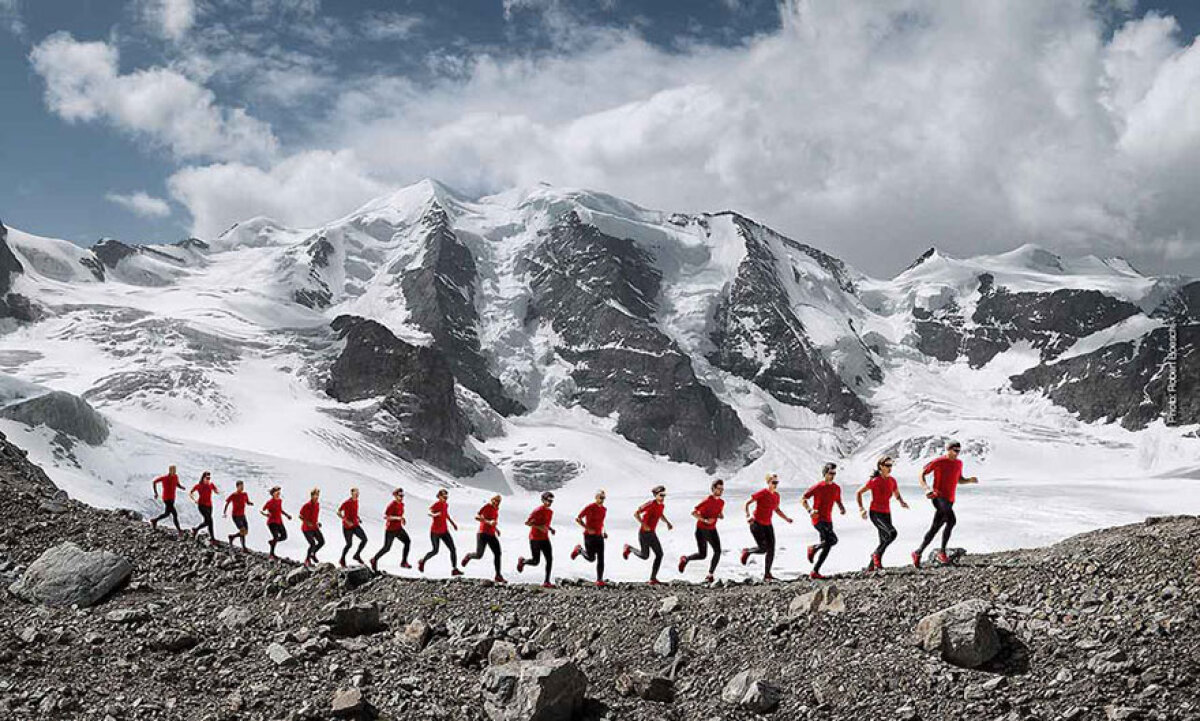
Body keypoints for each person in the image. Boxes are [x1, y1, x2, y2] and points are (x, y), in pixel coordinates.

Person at [913, 440, 979, 567]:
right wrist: (926, 489)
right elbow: (921, 473)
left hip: (950, 500)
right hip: (938, 497)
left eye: (959, 451)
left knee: (935, 528)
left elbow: (959, 480)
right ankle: (942, 553)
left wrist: (969, 480)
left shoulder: (959, 463)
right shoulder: (939, 461)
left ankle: (918, 552)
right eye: (955, 450)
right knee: (952, 521)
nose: (957, 453)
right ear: (948, 450)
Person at [856, 456, 909, 571]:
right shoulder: (875, 481)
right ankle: (875, 555)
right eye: (887, 465)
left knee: (884, 539)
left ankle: (871, 566)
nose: (890, 468)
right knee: (892, 533)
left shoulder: (892, 480)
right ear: (881, 466)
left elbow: (896, 493)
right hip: (876, 513)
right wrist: (861, 509)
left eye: (891, 465)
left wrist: (901, 502)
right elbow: (858, 492)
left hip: (886, 513)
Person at [740, 473, 793, 581]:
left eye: (777, 482)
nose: (775, 484)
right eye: (773, 482)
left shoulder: (776, 496)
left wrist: (786, 518)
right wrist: (748, 515)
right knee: (763, 548)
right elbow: (747, 503)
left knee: (771, 550)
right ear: (768, 482)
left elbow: (777, 509)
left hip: (768, 525)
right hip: (756, 524)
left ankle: (767, 574)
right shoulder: (763, 493)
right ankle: (747, 551)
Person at [802, 462, 846, 579]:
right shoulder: (818, 487)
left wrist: (841, 508)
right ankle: (813, 548)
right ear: (825, 473)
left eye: (834, 473)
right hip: (817, 519)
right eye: (830, 473)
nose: (832, 476)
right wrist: (810, 510)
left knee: (827, 545)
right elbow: (803, 498)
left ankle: (815, 571)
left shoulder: (836, 488)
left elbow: (838, 500)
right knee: (833, 540)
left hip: (828, 520)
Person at [624, 485, 673, 584]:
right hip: (644, 534)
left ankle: (652, 578)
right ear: (655, 495)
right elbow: (636, 513)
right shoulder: (650, 504)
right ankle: (629, 548)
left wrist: (667, 522)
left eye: (664, 495)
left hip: (652, 533)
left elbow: (660, 514)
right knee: (645, 556)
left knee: (659, 554)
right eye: (661, 495)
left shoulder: (661, 505)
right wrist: (644, 524)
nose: (663, 497)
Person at [680, 479, 725, 582]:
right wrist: (705, 520)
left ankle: (687, 560)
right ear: (713, 489)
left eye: (722, 489)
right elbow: (694, 513)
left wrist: (720, 516)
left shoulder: (722, 502)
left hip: (712, 529)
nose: (721, 491)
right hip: (702, 530)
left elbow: (719, 512)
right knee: (708, 553)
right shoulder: (707, 500)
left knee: (710, 553)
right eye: (719, 489)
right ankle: (709, 575)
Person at [461, 495, 505, 583]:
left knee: (498, 553)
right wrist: (489, 522)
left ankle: (498, 575)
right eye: (496, 500)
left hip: (491, 534)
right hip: (482, 533)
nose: (497, 502)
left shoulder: (496, 510)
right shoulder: (487, 506)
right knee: (479, 555)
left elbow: (492, 522)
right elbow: (477, 517)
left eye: (499, 501)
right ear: (492, 500)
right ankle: (469, 556)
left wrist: (496, 529)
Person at [419, 489, 462, 575]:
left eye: (446, 497)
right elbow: (430, 511)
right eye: (443, 497)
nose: (445, 498)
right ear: (439, 497)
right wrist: (435, 514)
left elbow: (446, 515)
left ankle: (454, 569)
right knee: (435, 551)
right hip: (435, 532)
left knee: (453, 549)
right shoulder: (437, 504)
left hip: (444, 531)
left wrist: (453, 524)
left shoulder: (445, 505)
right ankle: (422, 561)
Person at [517, 492, 556, 587]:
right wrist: (539, 527)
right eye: (548, 500)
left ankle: (547, 581)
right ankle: (522, 561)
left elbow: (545, 524)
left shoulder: (550, 512)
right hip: (535, 539)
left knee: (549, 559)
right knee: (535, 562)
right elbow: (527, 523)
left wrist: (550, 529)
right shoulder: (537, 511)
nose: (550, 503)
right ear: (543, 500)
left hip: (545, 538)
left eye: (551, 501)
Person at [571, 490, 608, 586]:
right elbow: (578, 518)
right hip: (589, 536)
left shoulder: (604, 509)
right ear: (596, 497)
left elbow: (601, 522)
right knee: (591, 558)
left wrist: (604, 532)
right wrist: (587, 528)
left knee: (601, 557)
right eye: (600, 497)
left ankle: (599, 580)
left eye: (603, 498)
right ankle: (579, 550)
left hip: (599, 536)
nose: (602, 500)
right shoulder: (590, 507)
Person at [371, 488, 411, 572]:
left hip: (398, 529)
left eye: (402, 495)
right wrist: (399, 518)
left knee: (407, 541)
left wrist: (402, 519)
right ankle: (374, 559)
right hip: (390, 530)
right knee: (386, 548)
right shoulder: (392, 505)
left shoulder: (401, 504)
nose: (402, 497)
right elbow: (386, 517)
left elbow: (399, 515)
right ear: (395, 496)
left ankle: (403, 562)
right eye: (400, 495)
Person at [337, 488, 368, 567]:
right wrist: (346, 521)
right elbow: (338, 512)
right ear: (352, 494)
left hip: (355, 525)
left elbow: (354, 512)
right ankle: (342, 559)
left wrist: (358, 518)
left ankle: (357, 555)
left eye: (358, 493)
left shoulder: (356, 502)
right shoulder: (347, 502)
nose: (357, 494)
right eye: (355, 493)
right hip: (347, 527)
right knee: (349, 544)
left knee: (364, 539)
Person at [150, 465, 185, 533]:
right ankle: (179, 530)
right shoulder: (164, 478)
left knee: (167, 514)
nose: (174, 471)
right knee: (175, 514)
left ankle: (154, 520)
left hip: (172, 498)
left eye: (174, 470)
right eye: (172, 470)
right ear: (169, 470)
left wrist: (181, 487)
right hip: (166, 498)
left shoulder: (176, 476)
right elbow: (154, 482)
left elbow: (177, 484)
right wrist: (156, 493)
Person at [260, 486, 291, 559]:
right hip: (272, 522)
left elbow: (280, 510)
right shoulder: (269, 502)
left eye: (279, 492)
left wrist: (287, 515)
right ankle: (271, 554)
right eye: (277, 492)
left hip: (279, 521)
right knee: (276, 537)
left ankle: (272, 542)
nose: (278, 493)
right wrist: (266, 514)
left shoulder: (279, 501)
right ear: (273, 493)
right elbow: (263, 509)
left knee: (284, 536)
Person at [189, 471, 220, 545]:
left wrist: (217, 491)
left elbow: (216, 490)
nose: (208, 480)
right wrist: (194, 500)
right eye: (207, 478)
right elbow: (190, 493)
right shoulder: (198, 486)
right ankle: (212, 539)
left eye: (209, 478)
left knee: (207, 522)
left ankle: (196, 529)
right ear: (203, 478)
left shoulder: (211, 485)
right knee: (210, 521)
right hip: (201, 505)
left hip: (210, 506)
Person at [223, 480, 253, 550]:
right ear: (237, 487)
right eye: (241, 486)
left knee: (245, 532)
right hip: (236, 516)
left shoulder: (245, 494)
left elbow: (247, 502)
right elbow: (227, 503)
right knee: (243, 530)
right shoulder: (233, 495)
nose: (242, 487)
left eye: (243, 486)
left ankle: (232, 537)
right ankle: (243, 547)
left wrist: (250, 503)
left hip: (243, 515)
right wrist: (224, 512)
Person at [299, 487, 324, 567]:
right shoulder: (307, 505)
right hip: (306, 529)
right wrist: (307, 523)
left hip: (315, 527)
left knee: (321, 542)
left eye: (318, 495)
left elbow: (314, 516)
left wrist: (317, 523)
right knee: (312, 543)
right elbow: (300, 516)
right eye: (315, 495)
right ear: (312, 496)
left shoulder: (317, 505)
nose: (317, 497)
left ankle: (313, 554)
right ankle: (307, 560)